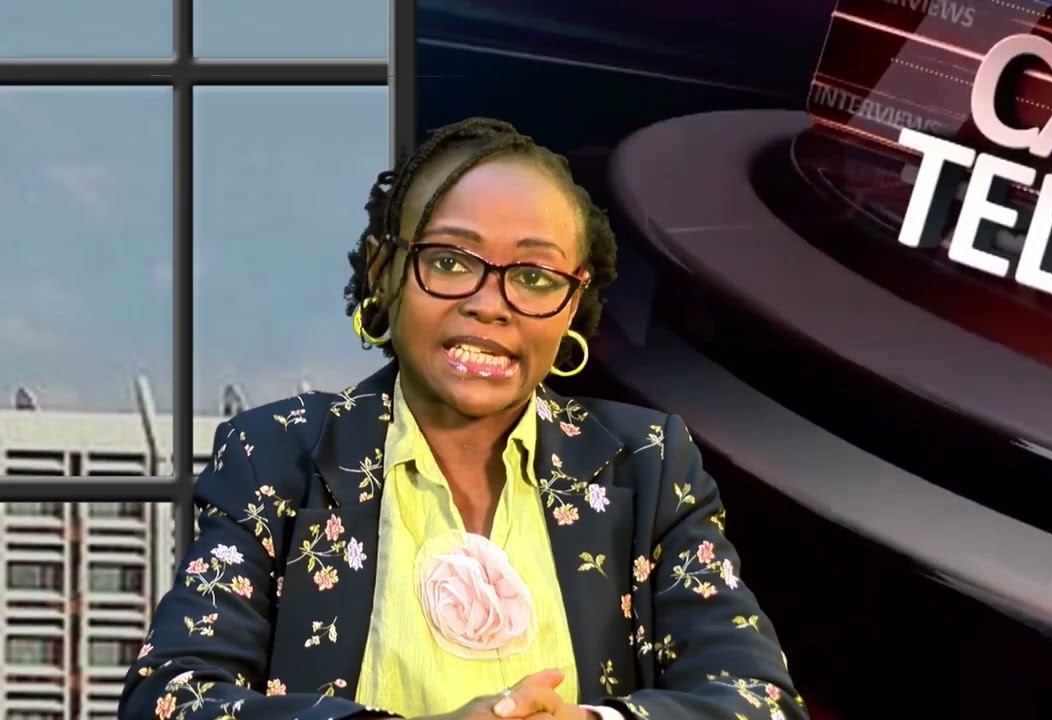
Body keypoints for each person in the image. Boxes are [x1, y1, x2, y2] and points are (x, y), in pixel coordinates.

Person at [120, 118, 807, 720]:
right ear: (384, 270)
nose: (489, 303)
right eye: (450, 261)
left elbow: (760, 702)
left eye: (534, 276)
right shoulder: (276, 454)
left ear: (574, 303)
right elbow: (170, 699)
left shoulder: (650, 464)